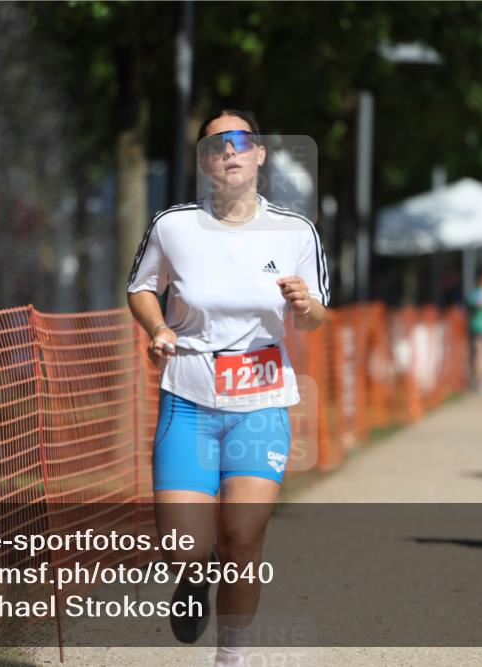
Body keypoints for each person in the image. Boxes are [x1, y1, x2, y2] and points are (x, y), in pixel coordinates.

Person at [125, 109, 329, 664]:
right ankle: (194, 573)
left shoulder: (294, 232)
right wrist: (160, 327)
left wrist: (305, 305)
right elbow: (141, 288)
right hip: (189, 397)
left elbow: (315, 319)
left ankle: (231, 655)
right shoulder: (174, 225)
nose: (230, 152)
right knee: (181, 549)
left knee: (244, 539)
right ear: (204, 162)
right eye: (217, 145)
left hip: (260, 401)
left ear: (260, 153)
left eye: (241, 142)